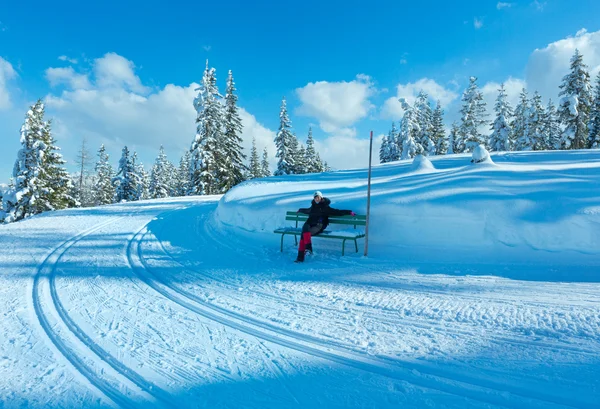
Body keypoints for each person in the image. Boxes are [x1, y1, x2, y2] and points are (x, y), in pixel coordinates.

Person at [294, 191, 355, 263]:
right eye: (315, 198)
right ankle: (307, 250)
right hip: (310, 224)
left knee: (303, 234)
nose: (316, 199)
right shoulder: (313, 206)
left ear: (321, 197)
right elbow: (307, 210)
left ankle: (302, 256)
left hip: (318, 226)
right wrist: (300, 210)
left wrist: (349, 212)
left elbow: (337, 212)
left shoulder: (325, 207)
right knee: (305, 227)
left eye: (318, 197)